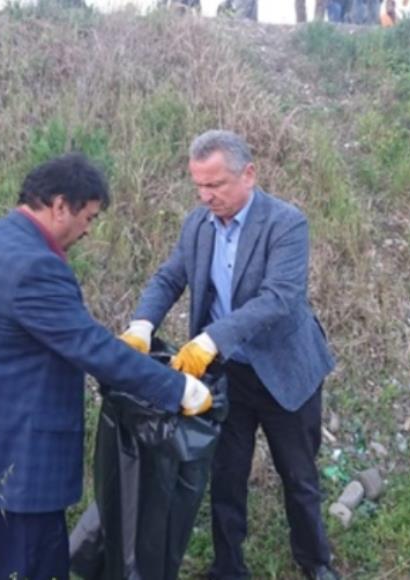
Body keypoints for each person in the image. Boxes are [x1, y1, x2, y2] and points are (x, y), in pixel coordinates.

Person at [0, 154, 212, 580]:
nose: (88, 230)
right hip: (10, 467)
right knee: (28, 567)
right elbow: (90, 348)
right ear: (59, 206)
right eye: (88, 217)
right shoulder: (35, 267)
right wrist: (178, 389)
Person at [119, 130, 339, 580]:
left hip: (284, 371)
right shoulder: (197, 225)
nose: (206, 196)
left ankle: (315, 562)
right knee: (226, 474)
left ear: (248, 175)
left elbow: (279, 298)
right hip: (227, 374)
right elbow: (169, 277)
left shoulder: (285, 224)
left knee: (298, 475)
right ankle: (228, 568)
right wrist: (142, 324)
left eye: (216, 184)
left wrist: (210, 339)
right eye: (198, 185)